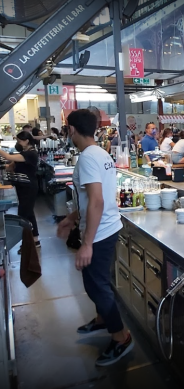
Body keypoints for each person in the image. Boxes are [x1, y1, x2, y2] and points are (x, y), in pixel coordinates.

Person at [57, 109, 132, 366]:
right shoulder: (100, 152)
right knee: (98, 282)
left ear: (72, 130)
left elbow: (97, 201)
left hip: (99, 233)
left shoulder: (88, 158)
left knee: (96, 286)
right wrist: (72, 218)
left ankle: (121, 337)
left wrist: (87, 243)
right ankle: (102, 319)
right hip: (106, 227)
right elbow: (92, 198)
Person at [0, 131, 40, 248]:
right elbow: (10, 167)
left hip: (29, 187)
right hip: (22, 187)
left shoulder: (31, 154)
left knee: (23, 215)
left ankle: (27, 244)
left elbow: (7, 156)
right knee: (29, 213)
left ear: (27, 140)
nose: (17, 143)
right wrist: (3, 167)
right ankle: (35, 240)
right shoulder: (23, 153)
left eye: (19, 141)